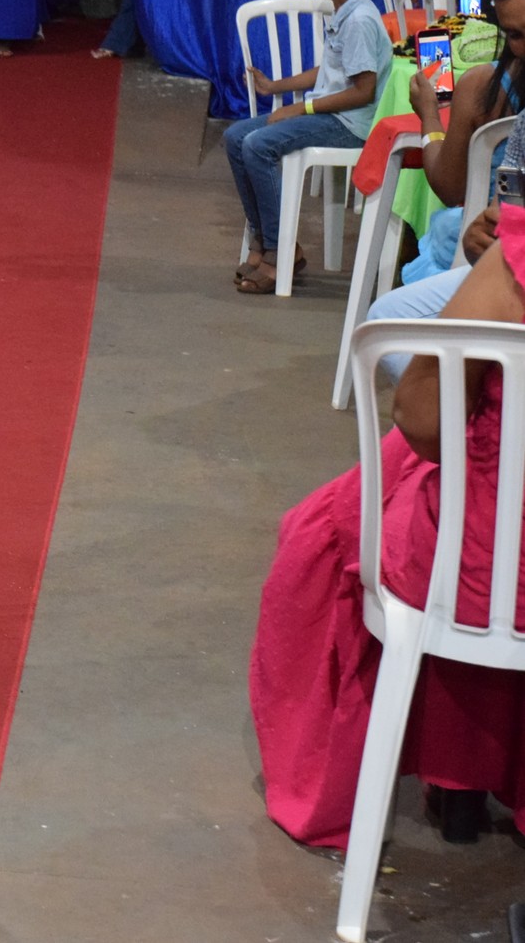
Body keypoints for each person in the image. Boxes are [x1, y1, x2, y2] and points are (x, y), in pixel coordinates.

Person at [250, 115, 525, 847]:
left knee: (351, 522)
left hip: (493, 578)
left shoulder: (513, 264)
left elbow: (424, 418)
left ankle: (451, 776)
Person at [364, 0, 525, 377]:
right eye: (515, 34)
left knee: (441, 236)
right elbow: (509, 205)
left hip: (484, 251)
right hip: (501, 253)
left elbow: (450, 187)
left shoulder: (482, 86)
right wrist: (492, 227)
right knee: (387, 321)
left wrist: (430, 117)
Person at [225, 0, 391, 295]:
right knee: (235, 137)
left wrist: (302, 107)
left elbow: (363, 90)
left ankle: (278, 251)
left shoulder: (360, 20)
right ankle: (266, 239)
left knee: (257, 146)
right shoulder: (347, 11)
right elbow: (331, 71)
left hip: (349, 125)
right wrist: (276, 87)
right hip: (327, 114)